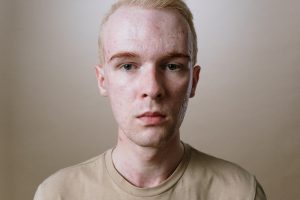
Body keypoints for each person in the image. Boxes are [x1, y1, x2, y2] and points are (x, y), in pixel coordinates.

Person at [34, 0, 267, 199]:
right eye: (127, 66)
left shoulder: (240, 192)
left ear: (193, 81)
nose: (152, 88)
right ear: (102, 80)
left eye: (172, 66)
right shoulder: (58, 194)